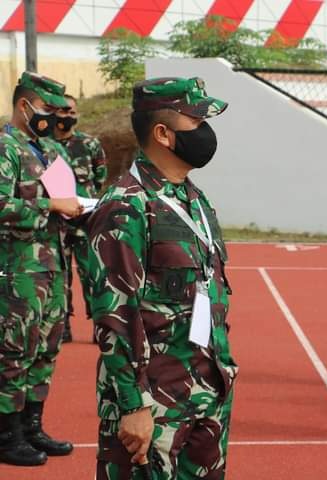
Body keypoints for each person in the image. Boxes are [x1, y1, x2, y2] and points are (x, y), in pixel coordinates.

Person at [86, 77, 238, 478]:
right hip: (155, 404)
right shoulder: (126, 206)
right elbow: (115, 315)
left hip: (208, 390)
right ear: (163, 134)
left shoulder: (193, 198)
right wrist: (134, 406)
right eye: (197, 122)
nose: (206, 133)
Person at [0, 72, 81, 466]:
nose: (54, 117)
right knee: (13, 353)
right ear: (25, 106)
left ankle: (32, 428)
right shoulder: (6, 147)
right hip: (17, 272)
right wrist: (51, 206)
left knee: (43, 353)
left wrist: (78, 206)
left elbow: (63, 195)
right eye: (48, 109)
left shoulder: (46, 150)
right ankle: (6, 435)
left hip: (51, 269)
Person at [53, 93, 107, 343]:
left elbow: (99, 176)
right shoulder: (43, 146)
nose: (68, 116)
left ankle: (98, 323)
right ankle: (61, 325)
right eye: (64, 111)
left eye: (72, 112)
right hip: (54, 222)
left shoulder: (89, 144)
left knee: (92, 274)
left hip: (86, 221)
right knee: (59, 275)